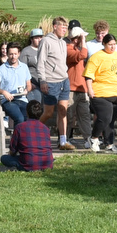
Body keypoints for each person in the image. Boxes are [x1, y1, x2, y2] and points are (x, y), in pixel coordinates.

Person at [84, 32, 117, 154]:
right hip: (102, 93)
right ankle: (93, 138)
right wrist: (90, 89)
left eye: (114, 44)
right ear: (104, 44)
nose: (113, 47)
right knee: (104, 117)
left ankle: (109, 145)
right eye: (110, 44)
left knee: (110, 121)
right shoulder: (97, 57)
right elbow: (88, 75)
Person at [35, 16, 74, 149]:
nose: (64, 29)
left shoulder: (63, 42)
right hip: (51, 82)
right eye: (62, 27)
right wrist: (43, 80)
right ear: (55, 27)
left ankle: (63, 141)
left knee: (63, 111)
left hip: (64, 80)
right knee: (48, 113)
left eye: (66, 27)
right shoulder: (46, 41)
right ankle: (33, 132)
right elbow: (40, 62)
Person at [1, 100, 55, 171]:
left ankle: (16, 167)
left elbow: (13, 150)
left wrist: (10, 155)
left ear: (27, 112)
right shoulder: (46, 128)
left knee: (4, 158)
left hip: (29, 163)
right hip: (47, 163)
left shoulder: (20, 127)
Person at [0, 43, 32, 130]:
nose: (13, 56)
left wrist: (27, 90)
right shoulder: (2, 69)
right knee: (20, 119)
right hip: (8, 100)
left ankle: (21, 141)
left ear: (19, 54)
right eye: (10, 54)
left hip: (22, 99)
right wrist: (3, 92)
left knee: (27, 119)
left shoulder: (24, 67)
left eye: (15, 54)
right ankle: (16, 142)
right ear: (7, 54)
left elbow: (29, 85)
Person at [66, 25, 91, 146]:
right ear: (76, 39)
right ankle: (65, 139)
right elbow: (83, 55)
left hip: (82, 88)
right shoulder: (68, 49)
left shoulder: (79, 49)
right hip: (71, 88)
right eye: (82, 38)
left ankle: (88, 139)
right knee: (69, 115)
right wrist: (83, 42)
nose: (83, 40)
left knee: (84, 115)